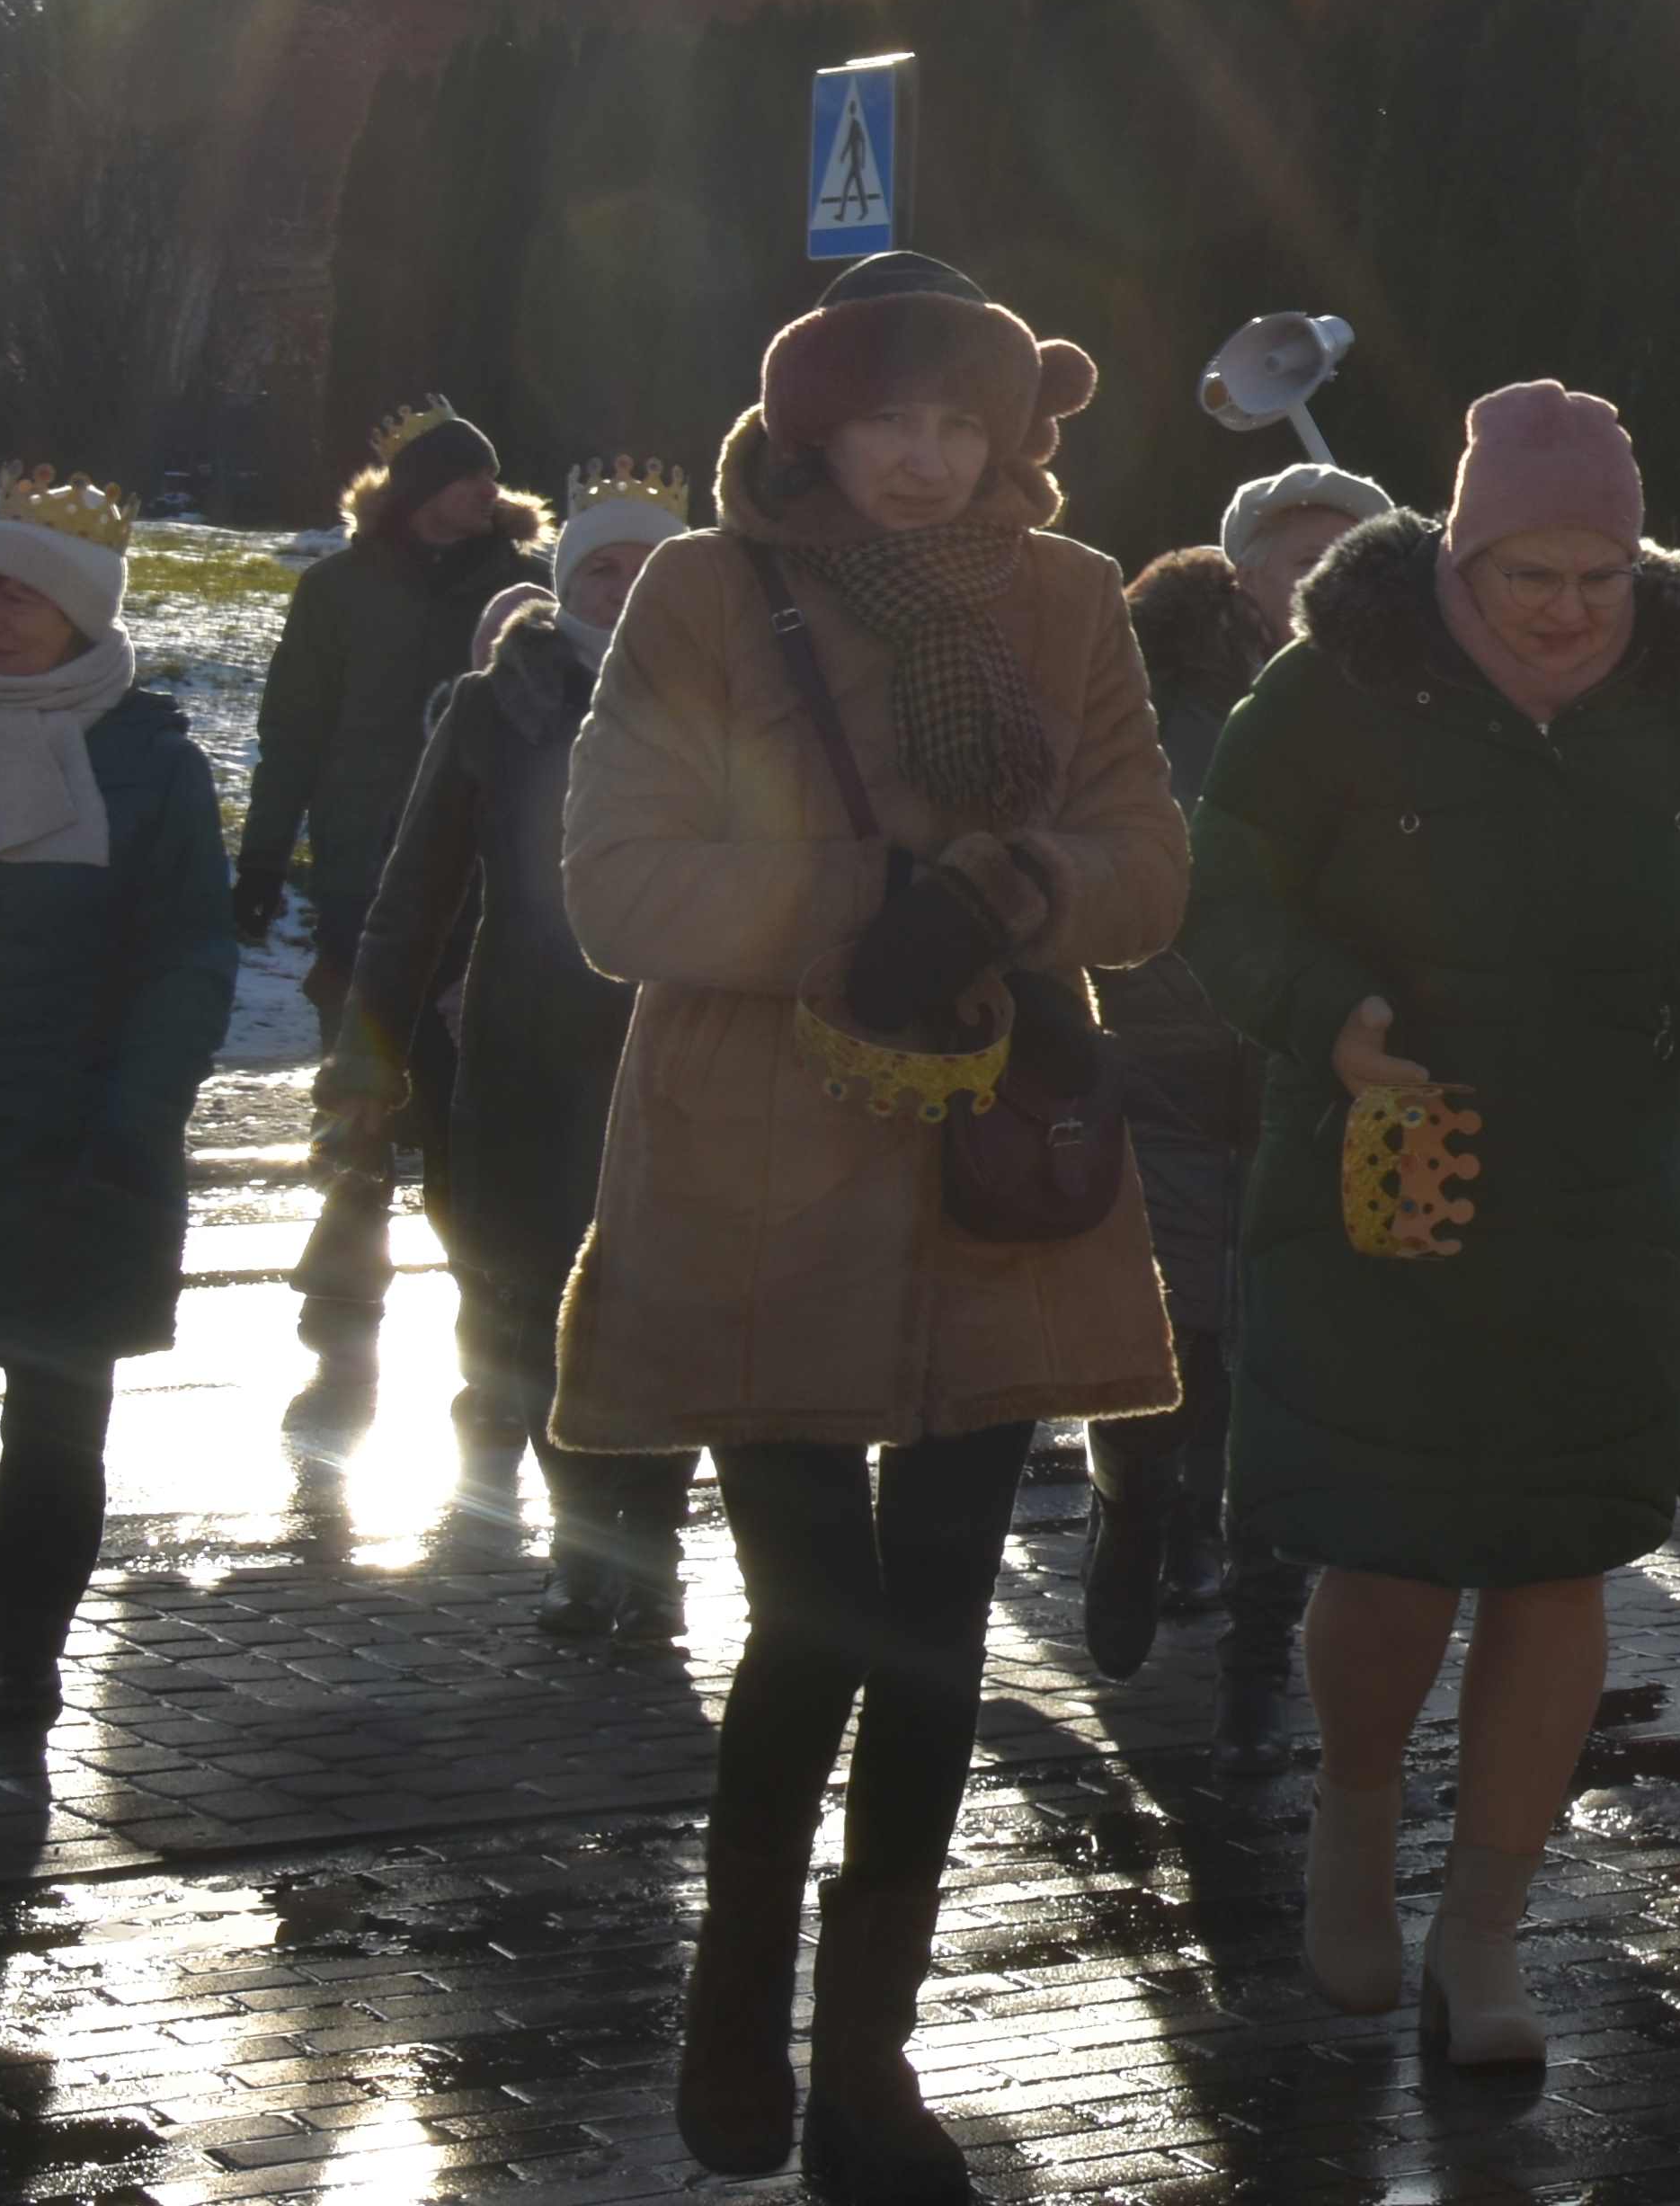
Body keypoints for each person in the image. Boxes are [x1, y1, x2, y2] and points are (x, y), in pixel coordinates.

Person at [556, 251, 1190, 2203]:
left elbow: (1149, 864)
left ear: (1009, 434)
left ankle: (867, 2057)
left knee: (934, 1629)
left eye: (958, 423)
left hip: (995, 1166)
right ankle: (735, 1993)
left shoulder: (1068, 597)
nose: (923, 459)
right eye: (887, 419)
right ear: (811, 425)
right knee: (814, 1612)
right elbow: (618, 884)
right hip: (758, 1170)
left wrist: (1004, 891)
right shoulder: (705, 588)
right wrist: (863, 909)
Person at [1187, 387, 1680, 2068]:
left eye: (1602, 574)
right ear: (1460, 556)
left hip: (1601, 1202)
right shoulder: (1337, 682)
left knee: (1559, 1557)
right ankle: (1358, 1822)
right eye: (1533, 572)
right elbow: (1218, 892)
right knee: (1384, 1553)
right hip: (1380, 1186)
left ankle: (1487, 1933)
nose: (1570, 608)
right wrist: (1327, 1015)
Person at [0, 477, 236, 1743]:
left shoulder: (153, 768)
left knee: (57, 1432)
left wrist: (137, 1116)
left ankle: (23, 1665)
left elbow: (188, 959)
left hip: (75, 1150)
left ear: (81, 615)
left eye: (20, 594)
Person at [341, 458, 702, 1639]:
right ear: (567, 579)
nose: (625, 586)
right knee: (539, 1303)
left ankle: (650, 1544)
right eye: (602, 566)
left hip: (680, 1048)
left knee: (666, 1308)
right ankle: (581, 1541)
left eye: (649, 565)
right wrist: (368, 1048)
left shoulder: (733, 695)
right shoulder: (498, 703)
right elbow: (415, 892)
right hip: (527, 1053)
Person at [1089, 459, 1392, 1703]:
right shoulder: (1149, 689)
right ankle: (1134, 1507)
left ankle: (1257, 1624)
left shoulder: (1403, 697)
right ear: (1243, 566)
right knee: (1159, 1337)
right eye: (1298, 555)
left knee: (1284, 1350)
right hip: (1158, 1054)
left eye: (1346, 555)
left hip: (1313, 1067)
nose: (1321, 578)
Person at [238, 402, 547, 1370]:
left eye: (491, 474)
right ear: (418, 489)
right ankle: (348, 1255)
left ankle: (485, 1294)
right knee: (361, 1062)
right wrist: (263, 857)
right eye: (465, 474)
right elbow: (293, 728)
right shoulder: (338, 589)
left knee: (465, 1088)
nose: (487, 490)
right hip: (361, 869)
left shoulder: (523, 587)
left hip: (485, 870)